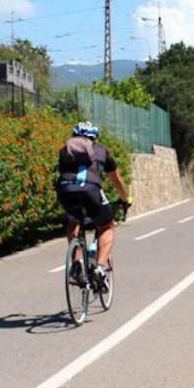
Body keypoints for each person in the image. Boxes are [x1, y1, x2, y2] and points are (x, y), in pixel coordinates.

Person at [56, 121, 130, 286]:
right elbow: (116, 179)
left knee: (74, 220)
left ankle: (77, 263)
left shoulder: (64, 150)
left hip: (66, 190)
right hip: (91, 191)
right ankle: (100, 267)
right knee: (107, 226)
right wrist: (125, 199)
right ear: (95, 137)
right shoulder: (101, 150)